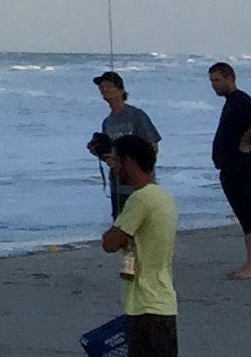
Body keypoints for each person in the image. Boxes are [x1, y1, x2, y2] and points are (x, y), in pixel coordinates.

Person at [99, 133, 179, 357]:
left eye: (117, 161)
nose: (114, 167)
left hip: (146, 305)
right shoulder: (163, 196)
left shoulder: (140, 199)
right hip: (162, 301)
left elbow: (110, 242)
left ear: (130, 161)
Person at [207, 61, 251, 279]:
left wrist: (247, 138)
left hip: (244, 168)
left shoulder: (240, 99)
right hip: (232, 168)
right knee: (245, 215)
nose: (214, 85)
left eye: (217, 80)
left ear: (230, 78)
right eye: (212, 81)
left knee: (250, 214)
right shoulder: (231, 102)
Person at [87, 70, 161, 220]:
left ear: (121, 90)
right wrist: (102, 155)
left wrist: (138, 171)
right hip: (118, 185)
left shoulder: (137, 115)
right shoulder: (107, 122)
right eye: (101, 87)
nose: (104, 89)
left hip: (140, 185)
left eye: (108, 85)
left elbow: (153, 147)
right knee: (121, 228)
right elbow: (110, 154)